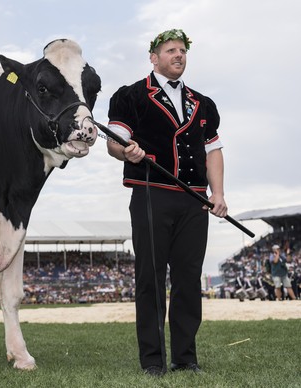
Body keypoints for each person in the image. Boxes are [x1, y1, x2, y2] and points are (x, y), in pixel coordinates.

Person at [106, 28, 228, 376]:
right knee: (151, 278)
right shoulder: (130, 96)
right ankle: (153, 361)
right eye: (171, 50)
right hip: (152, 194)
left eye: (183, 51)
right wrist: (126, 150)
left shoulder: (204, 103)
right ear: (154, 57)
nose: (179, 55)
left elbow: (213, 150)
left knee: (189, 279)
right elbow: (115, 143)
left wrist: (217, 194)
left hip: (194, 201)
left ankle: (186, 358)